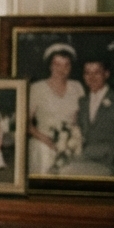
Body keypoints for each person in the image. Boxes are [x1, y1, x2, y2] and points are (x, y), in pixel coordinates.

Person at [64, 57, 114, 177]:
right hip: (83, 160)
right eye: (87, 73)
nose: (91, 77)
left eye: (97, 72)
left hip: (110, 164)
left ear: (106, 74)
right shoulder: (82, 102)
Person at [28, 44, 84, 175]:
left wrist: (73, 139)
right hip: (43, 141)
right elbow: (25, 123)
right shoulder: (37, 88)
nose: (61, 69)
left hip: (70, 143)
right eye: (57, 64)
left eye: (66, 65)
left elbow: (81, 118)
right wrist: (44, 138)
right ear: (50, 66)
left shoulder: (77, 87)